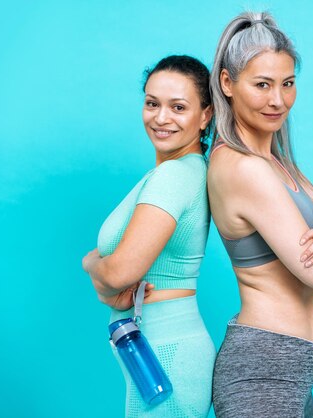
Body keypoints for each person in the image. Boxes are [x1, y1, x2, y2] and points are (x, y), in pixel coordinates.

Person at [208, 12, 313, 418]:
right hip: (263, 371)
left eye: (287, 83)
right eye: (262, 85)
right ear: (228, 84)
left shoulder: (277, 164)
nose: (278, 100)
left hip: (292, 370)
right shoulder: (244, 169)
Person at [82, 55, 215, 417]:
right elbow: (111, 283)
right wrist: (105, 279)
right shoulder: (186, 172)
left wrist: (90, 262)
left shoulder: (173, 177)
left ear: (206, 115)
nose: (160, 117)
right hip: (157, 349)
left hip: (165, 355)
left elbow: (119, 274)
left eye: (178, 107)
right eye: (152, 103)